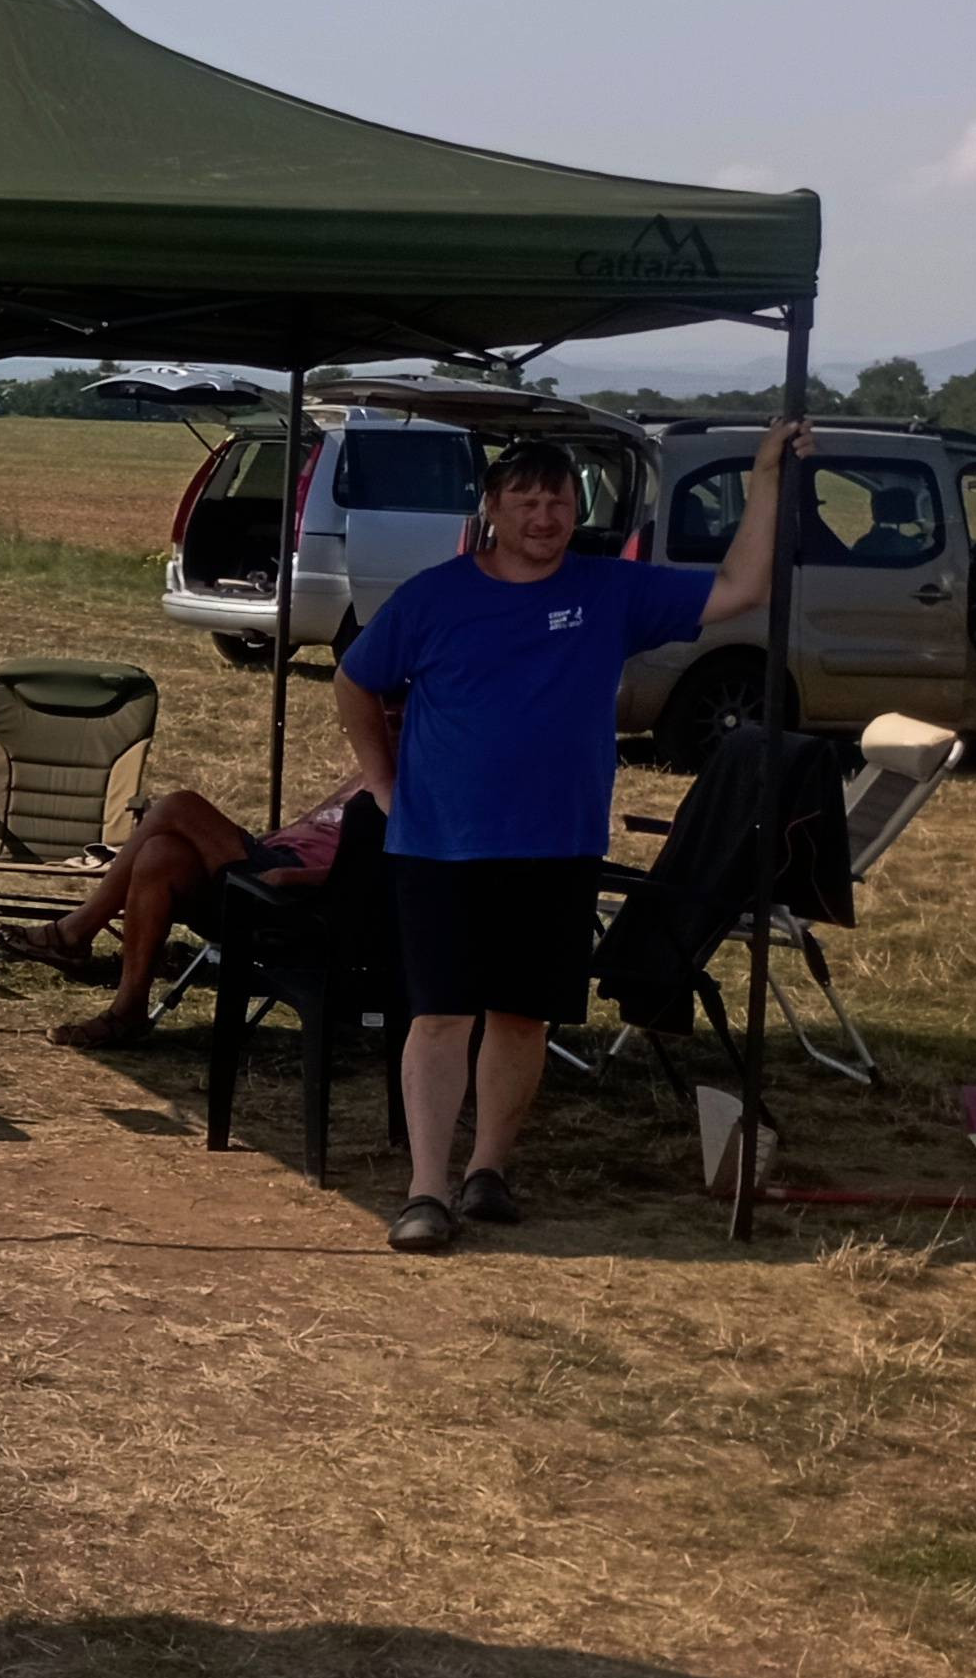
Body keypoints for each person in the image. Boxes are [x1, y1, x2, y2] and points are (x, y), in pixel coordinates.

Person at [333, 421, 805, 1254]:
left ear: (576, 511)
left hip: (557, 844)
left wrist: (767, 476)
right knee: (440, 1016)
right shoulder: (434, 597)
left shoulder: (610, 591)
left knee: (523, 1018)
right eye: (526, 500)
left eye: (558, 501)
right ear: (492, 508)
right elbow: (355, 680)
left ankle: (488, 1171)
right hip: (441, 844)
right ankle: (425, 1189)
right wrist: (382, 781)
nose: (544, 516)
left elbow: (741, 588)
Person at [0, 768, 375, 1050]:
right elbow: (307, 829)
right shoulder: (366, 773)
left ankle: (74, 933)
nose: (387, 714)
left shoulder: (401, 789)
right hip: (273, 862)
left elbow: (379, 872)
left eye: (397, 709)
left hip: (300, 899)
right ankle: (129, 1009)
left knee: (179, 805)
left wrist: (292, 876)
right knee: (160, 853)